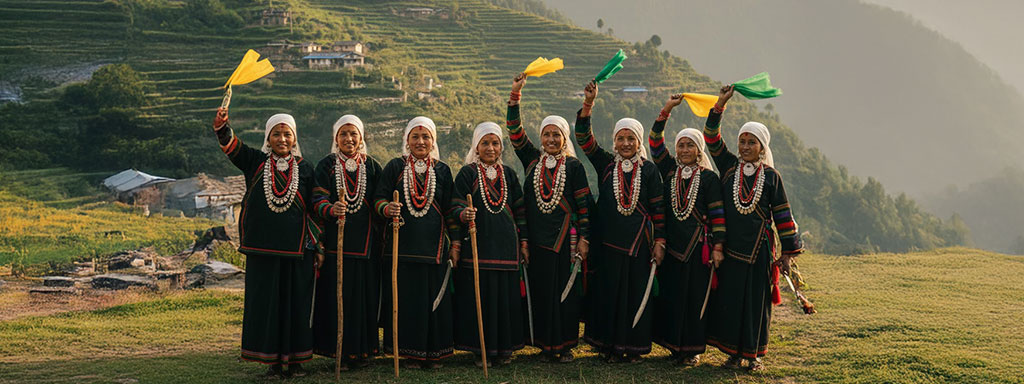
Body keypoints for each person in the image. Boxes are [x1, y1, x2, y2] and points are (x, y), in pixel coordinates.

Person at [703, 85, 804, 371]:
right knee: (732, 301)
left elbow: (783, 215)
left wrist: (787, 254)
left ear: (762, 147)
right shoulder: (728, 168)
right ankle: (733, 353)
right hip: (731, 249)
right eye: (743, 141)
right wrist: (721, 103)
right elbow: (711, 137)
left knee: (757, 304)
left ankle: (754, 355)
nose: (746, 146)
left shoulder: (772, 177)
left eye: (752, 142)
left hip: (759, 250)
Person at [212, 107, 318, 378]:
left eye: (287, 134)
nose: (282, 139)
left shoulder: (306, 169)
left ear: (295, 139)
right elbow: (231, 145)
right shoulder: (256, 162)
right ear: (267, 138)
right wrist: (223, 126)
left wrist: (319, 244)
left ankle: (295, 362)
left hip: (297, 251)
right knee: (267, 305)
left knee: (295, 304)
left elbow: (316, 207)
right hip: (262, 250)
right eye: (276, 134)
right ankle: (271, 361)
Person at [574, 80, 666, 363]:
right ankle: (608, 346)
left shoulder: (649, 171)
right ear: (614, 141)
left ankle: (633, 348)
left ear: (639, 142)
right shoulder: (605, 164)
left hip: (639, 245)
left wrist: (660, 241)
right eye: (620, 139)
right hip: (607, 243)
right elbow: (584, 139)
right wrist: (588, 104)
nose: (625, 144)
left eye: (631, 139)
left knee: (634, 294)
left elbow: (659, 208)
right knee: (609, 294)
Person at [506, 73, 593, 363]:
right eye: (547, 134)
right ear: (541, 137)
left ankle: (564, 345)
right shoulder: (532, 161)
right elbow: (515, 133)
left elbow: (583, 205)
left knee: (565, 295)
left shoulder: (574, 166)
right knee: (542, 292)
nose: (552, 139)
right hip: (537, 241)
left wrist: (584, 239)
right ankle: (544, 345)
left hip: (566, 242)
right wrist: (515, 96)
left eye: (557, 135)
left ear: (565, 138)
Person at [648, 95, 727, 366]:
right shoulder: (669, 171)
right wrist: (667, 109)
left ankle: (691, 350)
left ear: (699, 150)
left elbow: (717, 214)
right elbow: (655, 143)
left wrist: (717, 247)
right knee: (673, 296)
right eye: (680, 145)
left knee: (693, 298)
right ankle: (673, 347)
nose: (683, 150)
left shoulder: (709, 178)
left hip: (698, 249)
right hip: (671, 246)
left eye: (689, 145)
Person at [372, 116, 455, 369]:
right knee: (407, 303)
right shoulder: (395, 167)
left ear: (433, 141)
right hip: (401, 250)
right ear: (407, 141)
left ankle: (435, 354)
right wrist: (387, 209)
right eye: (415, 137)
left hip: (435, 250)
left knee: (435, 301)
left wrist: (457, 244)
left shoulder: (442, 170)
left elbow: (451, 210)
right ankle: (410, 354)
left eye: (426, 137)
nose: (421, 142)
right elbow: (378, 199)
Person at [450, 122, 528, 366]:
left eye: (495, 143)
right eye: (485, 143)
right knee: (480, 299)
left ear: (501, 147)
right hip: (478, 248)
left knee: (505, 300)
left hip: (506, 248)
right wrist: (464, 214)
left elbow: (521, 211)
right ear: (476, 146)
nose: (490, 148)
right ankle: (480, 349)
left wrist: (524, 243)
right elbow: (454, 206)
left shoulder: (509, 174)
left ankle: (504, 349)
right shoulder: (467, 173)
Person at [311, 114, 383, 370]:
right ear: (336, 138)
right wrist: (330, 209)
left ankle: (362, 352)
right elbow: (317, 200)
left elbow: (379, 200)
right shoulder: (326, 166)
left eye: (354, 134)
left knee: (363, 299)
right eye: (343, 134)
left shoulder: (372, 167)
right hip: (335, 247)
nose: (349, 139)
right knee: (337, 298)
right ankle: (338, 352)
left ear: (361, 137)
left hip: (366, 247)